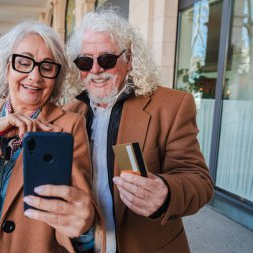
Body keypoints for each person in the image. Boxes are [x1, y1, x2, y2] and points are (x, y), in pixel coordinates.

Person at [0, 21, 99, 253]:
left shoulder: (70, 126)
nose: (35, 76)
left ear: (56, 77)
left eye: (47, 67)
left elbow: (73, 211)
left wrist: (84, 227)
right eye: (23, 63)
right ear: (7, 68)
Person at [62, 9, 214, 253]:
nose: (96, 70)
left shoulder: (172, 105)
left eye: (107, 60)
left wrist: (166, 193)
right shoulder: (69, 114)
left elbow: (200, 181)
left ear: (129, 58)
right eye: (85, 61)